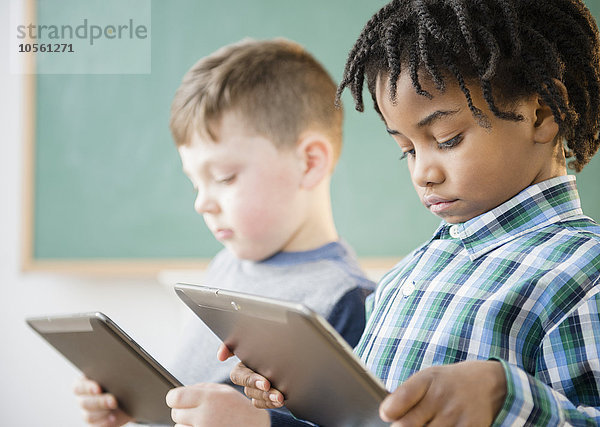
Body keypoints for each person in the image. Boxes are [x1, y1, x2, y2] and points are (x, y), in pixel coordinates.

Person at [224, 0, 600, 425]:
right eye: (406, 149)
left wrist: (505, 398)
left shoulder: (585, 271)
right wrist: (281, 405)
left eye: (447, 139)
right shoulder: (404, 279)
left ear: (542, 114)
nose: (423, 172)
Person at [71, 38, 375, 427]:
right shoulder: (223, 267)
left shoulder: (347, 300)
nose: (202, 203)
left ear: (309, 162)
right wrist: (134, 405)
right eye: (195, 183)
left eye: (224, 177)